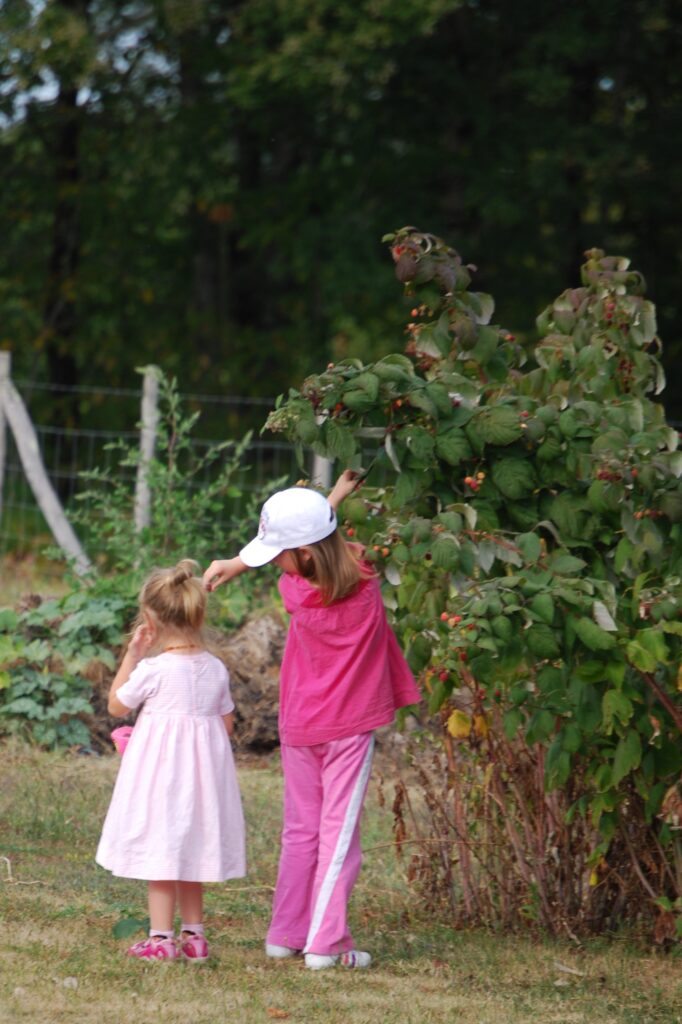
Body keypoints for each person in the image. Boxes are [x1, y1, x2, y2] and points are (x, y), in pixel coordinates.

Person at [203, 471, 420, 970]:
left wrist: (238, 562)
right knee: (339, 837)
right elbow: (325, 544)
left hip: (300, 723)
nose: (274, 562)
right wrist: (333, 501)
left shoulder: (294, 590)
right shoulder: (363, 581)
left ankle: (286, 933)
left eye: (277, 552)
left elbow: (309, 547)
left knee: (301, 831)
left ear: (302, 556)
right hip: (348, 728)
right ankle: (326, 946)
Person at [96, 559, 246, 962]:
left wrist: (132, 654)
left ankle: (161, 940)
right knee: (192, 855)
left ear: (150, 617)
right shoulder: (215, 669)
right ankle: (195, 938)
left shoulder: (154, 669)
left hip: (162, 784)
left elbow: (115, 705)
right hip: (203, 785)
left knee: (162, 855)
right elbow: (226, 725)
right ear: (198, 613)